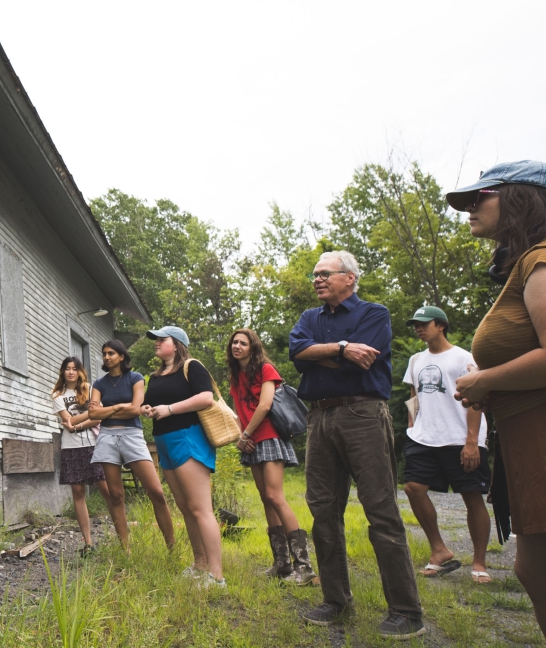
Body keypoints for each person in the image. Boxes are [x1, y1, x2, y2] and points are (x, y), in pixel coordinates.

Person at [447, 160, 546, 645]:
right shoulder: (529, 262)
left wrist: (486, 378)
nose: (469, 208)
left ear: (521, 198)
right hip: (524, 429)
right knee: (535, 567)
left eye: (479, 197)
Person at [289, 250, 425, 639]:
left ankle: (405, 610)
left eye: (325, 273)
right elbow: (297, 354)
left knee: (380, 508)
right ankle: (336, 600)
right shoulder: (308, 318)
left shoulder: (374, 313)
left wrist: (329, 355)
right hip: (319, 417)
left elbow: (364, 361)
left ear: (349, 278)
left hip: (363, 414)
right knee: (322, 509)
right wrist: (342, 350)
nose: (317, 279)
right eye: (314, 274)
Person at [400, 306, 491, 584]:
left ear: (441, 325)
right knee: (413, 488)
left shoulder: (464, 357)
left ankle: (479, 562)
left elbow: (476, 397)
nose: (419, 328)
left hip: (460, 437)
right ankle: (439, 550)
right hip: (425, 438)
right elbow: (414, 398)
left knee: (471, 496)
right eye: (416, 324)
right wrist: (412, 429)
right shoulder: (415, 360)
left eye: (424, 323)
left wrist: (472, 442)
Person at [226, 328, 316, 586]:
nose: (238, 346)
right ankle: (282, 564)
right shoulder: (235, 375)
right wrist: (240, 437)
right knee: (266, 499)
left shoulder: (266, 369)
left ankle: (304, 566)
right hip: (250, 441)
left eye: (243, 343)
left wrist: (246, 434)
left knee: (276, 496)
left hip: (268, 436)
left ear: (253, 347)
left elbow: (265, 405)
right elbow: (237, 411)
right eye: (235, 342)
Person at [140, 326, 226, 588]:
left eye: (161, 339)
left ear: (176, 344)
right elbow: (154, 403)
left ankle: (216, 576)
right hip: (164, 441)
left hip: (187, 438)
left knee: (201, 509)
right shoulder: (155, 376)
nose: (156, 343)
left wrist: (169, 409)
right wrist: (147, 408)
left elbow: (206, 398)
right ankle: (200, 566)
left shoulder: (192, 366)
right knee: (186, 508)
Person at [87, 339, 176, 553]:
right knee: (115, 495)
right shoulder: (99, 384)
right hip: (107, 437)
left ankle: (172, 548)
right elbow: (92, 414)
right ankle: (125, 550)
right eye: (104, 353)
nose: (107, 357)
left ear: (122, 356)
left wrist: (107, 409)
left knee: (156, 492)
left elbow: (136, 409)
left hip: (132, 436)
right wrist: (118, 406)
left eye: (111, 353)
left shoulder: (135, 378)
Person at [52, 356, 110, 554]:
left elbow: (96, 417)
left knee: (106, 488)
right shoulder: (58, 395)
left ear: (79, 371)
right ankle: (88, 542)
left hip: (94, 445)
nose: (71, 372)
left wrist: (78, 423)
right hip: (71, 448)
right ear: (63, 372)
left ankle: (122, 531)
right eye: (67, 368)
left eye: (74, 368)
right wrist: (88, 417)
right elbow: (67, 422)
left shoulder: (90, 388)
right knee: (78, 492)